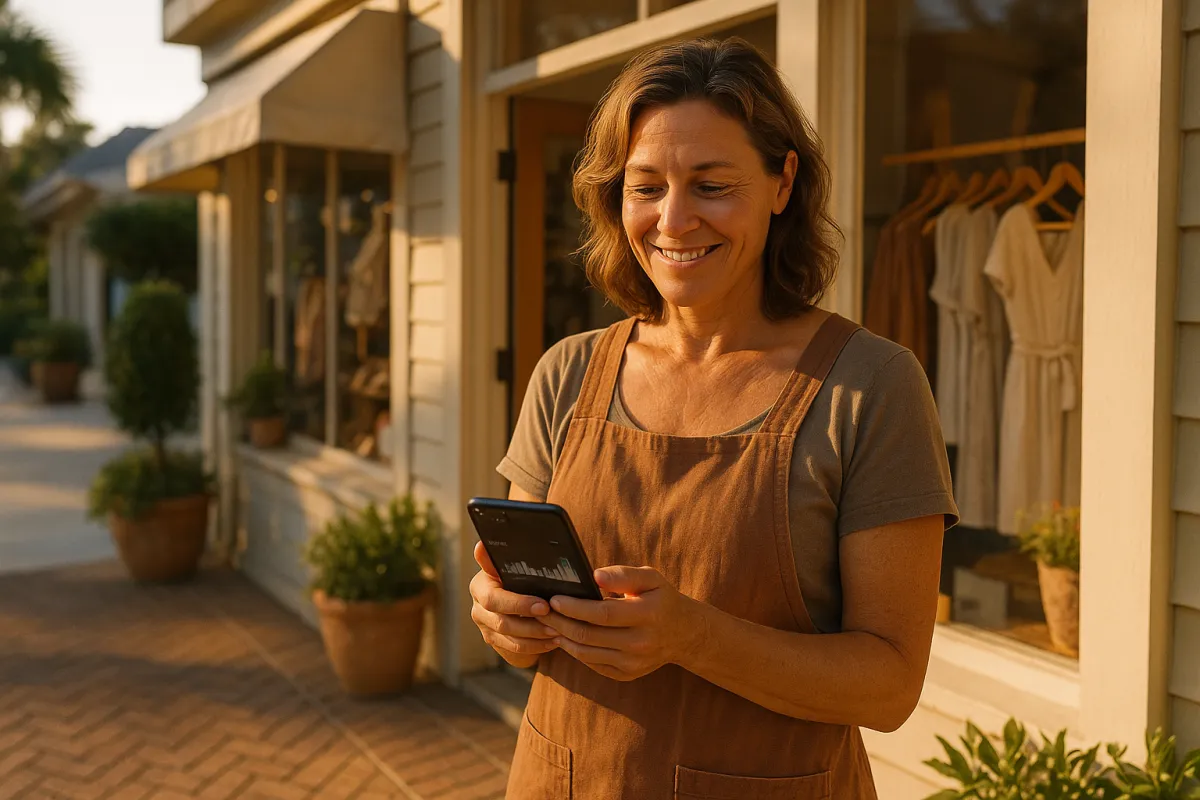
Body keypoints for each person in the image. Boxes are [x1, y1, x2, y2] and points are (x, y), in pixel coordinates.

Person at [470, 36, 958, 799]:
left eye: (711, 185)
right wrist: (504, 620)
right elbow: (524, 624)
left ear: (781, 182)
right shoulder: (567, 373)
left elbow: (889, 687)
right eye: (646, 187)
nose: (674, 220)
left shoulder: (871, 388)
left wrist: (690, 636)